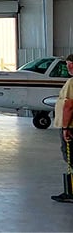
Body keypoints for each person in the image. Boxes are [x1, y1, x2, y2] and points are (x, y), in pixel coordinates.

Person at [51, 54, 73, 203]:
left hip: (71, 127)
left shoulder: (72, 82)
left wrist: (66, 128)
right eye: (67, 64)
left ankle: (71, 192)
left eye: (71, 64)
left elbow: (69, 106)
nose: (68, 67)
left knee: (71, 159)